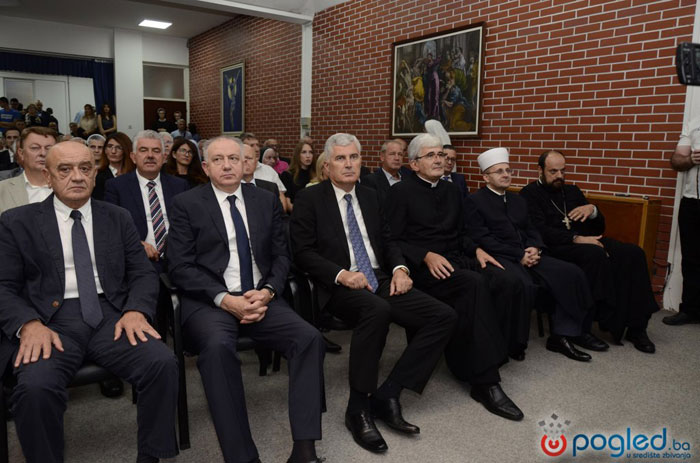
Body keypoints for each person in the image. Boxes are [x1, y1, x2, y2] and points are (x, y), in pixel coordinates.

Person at [0, 140, 178, 463]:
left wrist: (136, 310)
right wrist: (27, 324)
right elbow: (4, 285)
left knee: (161, 363)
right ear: (48, 176)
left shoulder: (118, 217)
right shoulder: (17, 222)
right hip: (49, 322)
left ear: (95, 175)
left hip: (111, 315)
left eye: (85, 168)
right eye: (65, 169)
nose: (77, 176)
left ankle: (151, 457)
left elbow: (142, 273)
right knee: (35, 389)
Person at [291, 133, 456, 453]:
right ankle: (358, 408)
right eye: (340, 158)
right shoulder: (310, 199)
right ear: (327, 165)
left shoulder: (371, 195)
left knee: (442, 316)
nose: (348, 164)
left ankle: (389, 393)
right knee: (377, 310)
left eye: (353, 157)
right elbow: (303, 253)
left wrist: (400, 270)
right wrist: (342, 274)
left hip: (379, 277)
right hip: (337, 284)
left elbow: (389, 240)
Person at [167, 136, 325, 463]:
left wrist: (268, 292)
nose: (227, 165)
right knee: (217, 350)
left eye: (233, 159)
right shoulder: (186, 204)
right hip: (210, 301)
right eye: (218, 160)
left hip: (260, 296)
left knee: (308, 338)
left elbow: (282, 256)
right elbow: (179, 266)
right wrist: (224, 299)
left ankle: (305, 450)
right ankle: (242, 457)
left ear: (245, 164)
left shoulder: (265, 200)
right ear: (206, 167)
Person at [384, 134, 526, 420]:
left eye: (441, 154)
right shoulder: (399, 193)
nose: (439, 160)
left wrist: (478, 250)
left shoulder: (451, 191)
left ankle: (482, 356)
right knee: (474, 285)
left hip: (457, 259)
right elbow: (391, 239)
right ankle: (485, 381)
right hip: (425, 269)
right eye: (431, 155)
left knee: (505, 279)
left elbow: (463, 234)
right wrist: (425, 255)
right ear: (414, 164)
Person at [469, 148, 602, 362]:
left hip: (529, 254)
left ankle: (564, 334)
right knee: (523, 285)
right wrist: (518, 254)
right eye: (499, 171)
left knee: (571, 273)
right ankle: (514, 343)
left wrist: (535, 247)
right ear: (486, 177)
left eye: (508, 170)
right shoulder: (474, 201)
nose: (506, 174)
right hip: (501, 256)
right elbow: (482, 237)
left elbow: (532, 229)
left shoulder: (517, 200)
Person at [520, 150, 658, 352]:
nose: (559, 176)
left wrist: (593, 211)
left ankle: (637, 328)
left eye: (563, 171)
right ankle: (585, 327)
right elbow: (539, 231)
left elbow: (598, 228)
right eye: (553, 171)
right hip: (556, 246)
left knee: (634, 253)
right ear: (540, 170)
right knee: (594, 255)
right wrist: (576, 238)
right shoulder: (529, 194)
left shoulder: (572, 191)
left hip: (586, 239)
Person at [664, 117, 700, 326]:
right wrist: (692, 160)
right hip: (691, 202)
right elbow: (677, 161)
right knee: (691, 259)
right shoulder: (694, 123)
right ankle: (691, 310)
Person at [0, 127, 56, 215]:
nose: (43, 153)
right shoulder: (2, 189)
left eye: (49, 148)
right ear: (21, 153)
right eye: (35, 148)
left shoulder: (71, 187)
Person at [361, 139, 411, 204]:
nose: (397, 158)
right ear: (382, 157)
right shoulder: (370, 181)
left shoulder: (408, 178)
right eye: (392, 154)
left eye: (400, 154)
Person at [93, 132, 134, 200]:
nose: (113, 151)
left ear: (126, 150)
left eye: (119, 147)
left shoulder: (135, 173)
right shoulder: (99, 176)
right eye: (109, 146)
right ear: (105, 150)